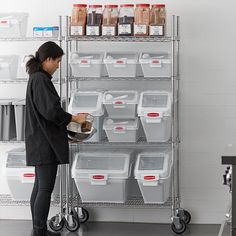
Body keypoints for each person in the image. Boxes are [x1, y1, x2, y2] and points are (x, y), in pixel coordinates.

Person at [25, 41, 87, 236]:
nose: (58, 66)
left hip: (41, 140)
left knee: (39, 187)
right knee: (44, 188)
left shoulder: (36, 78)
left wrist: (64, 135)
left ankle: (38, 229)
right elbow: (52, 112)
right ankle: (39, 232)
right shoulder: (41, 80)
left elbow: (46, 116)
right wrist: (74, 118)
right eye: (57, 61)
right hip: (44, 145)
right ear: (48, 59)